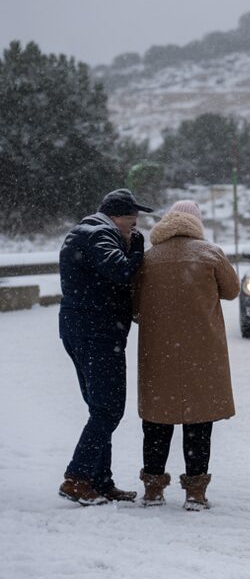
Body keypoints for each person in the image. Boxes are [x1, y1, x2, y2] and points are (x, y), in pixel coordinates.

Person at [133, 200, 239, 510]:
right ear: (197, 225)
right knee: (199, 422)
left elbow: (135, 305)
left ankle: (153, 489)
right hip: (201, 352)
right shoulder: (210, 254)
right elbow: (232, 291)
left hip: (158, 352)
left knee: (156, 422)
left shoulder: (148, 259)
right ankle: (195, 493)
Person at [58, 188, 155, 505]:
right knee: (108, 408)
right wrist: (137, 248)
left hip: (84, 328)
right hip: (96, 332)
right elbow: (122, 271)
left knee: (100, 408)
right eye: (132, 221)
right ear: (117, 217)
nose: (135, 228)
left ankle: (100, 481)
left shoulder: (88, 231)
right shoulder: (100, 233)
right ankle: (77, 479)